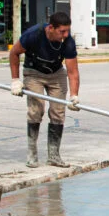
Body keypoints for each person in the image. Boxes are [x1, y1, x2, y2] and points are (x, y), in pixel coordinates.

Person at [8, 11, 81, 168]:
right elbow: (14, 53)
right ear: (51, 28)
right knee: (36, 109)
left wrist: (74, 95)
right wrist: (15, 80)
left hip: (56, 73)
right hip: (34, 73)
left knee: (58, 111)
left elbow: (72, 71)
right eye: (62, 31)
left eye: (67, 30)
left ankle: (54, 156)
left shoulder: (68, 41)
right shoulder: (34, 34)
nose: (65, 34)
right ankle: (32, 154)